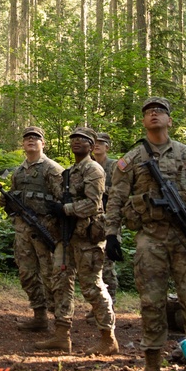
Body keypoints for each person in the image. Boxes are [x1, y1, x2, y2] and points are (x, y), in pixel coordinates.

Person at [104, 97, 186, 371]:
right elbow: (115, 199)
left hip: (184, 237)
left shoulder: (185, 154)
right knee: (151, 303)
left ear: (170, 120)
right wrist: (111, 235)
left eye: (160, 111)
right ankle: (152, 367)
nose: (154, 115)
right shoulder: (130, 159)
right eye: (148, 113)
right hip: (150, 238)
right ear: (143, 122)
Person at [39, 126, 118, 355]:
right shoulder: (69, 172)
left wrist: (65, 209)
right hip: (67, 236)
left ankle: (108, 337)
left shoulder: (93, 170)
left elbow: (94, 204)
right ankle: (62, 334)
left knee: (92, 287)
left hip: (87, 237)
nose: (76, 142)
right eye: (73, 138)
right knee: (61, 283)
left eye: (82, 140)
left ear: (91, 146)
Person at [1, 125, 60, 333]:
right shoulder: (18, 172)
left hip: (46, 229)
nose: (31, 141)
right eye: (27, 138)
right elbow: (14, 196)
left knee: (51, 275)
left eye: (36, 138)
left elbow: (62, 201)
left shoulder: (52, 169)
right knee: (27, 273)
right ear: (23, 144)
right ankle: (39, 316)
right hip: (23, 229)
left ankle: (61, 321)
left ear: (43, 143)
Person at [91, 132, 119, 307]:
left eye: (101, 143)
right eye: (95, 142)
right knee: (92, 264)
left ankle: (111, 302)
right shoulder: (88, 165)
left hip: (109, 219)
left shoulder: (114, 166)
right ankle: (97, 304)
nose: (97, 145)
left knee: (107, 264)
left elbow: (120, 192)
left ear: (107, 146)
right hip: (91, 220)